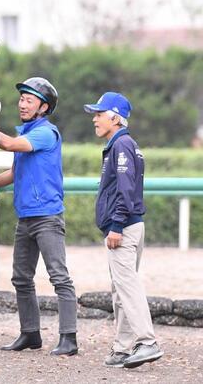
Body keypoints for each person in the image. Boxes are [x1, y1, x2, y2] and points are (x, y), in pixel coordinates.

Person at [0, 77, 78, 356]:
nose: (22, 104)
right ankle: (30, 334)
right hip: (26, 217)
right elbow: (13, 173)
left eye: (29, 100)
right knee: (21, 278)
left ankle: (69, 338)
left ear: (43, 108)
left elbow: (9, 145)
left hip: (47, 216)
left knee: (59, 277)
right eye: (21, 99)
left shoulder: (46, 133)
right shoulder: (28, 133)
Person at [83, 92, 164, 369]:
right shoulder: (121, 144)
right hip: (129, 226)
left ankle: (147, 342)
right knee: (120, 290)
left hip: (124, 227)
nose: (94, 118)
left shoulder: (122, 145)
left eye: (99, 113)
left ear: (115, 117)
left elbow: (125, 190)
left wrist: (116, 225)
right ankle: (122, 349)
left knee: (127, 287)